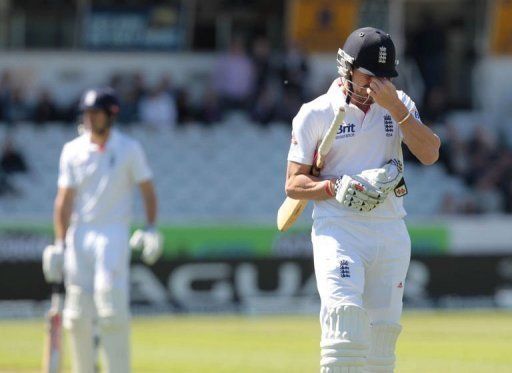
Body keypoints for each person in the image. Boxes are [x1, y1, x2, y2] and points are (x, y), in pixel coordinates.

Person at [285, 27, 440, 372]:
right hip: (339, 230)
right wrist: (334, 186)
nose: (376, 86)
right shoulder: (316, 112)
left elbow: (430, 153)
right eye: (369, 76)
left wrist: (396, 107)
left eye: (385, 77)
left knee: (381, 342)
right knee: (345, 324)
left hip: (390, 230)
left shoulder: (399, 104)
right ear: (348, 68)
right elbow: (294, 184)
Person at [42, 87, 163, 373]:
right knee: (76, 315)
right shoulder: (72, 150)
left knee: (111, 310)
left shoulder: (129, 149)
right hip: (79, 234)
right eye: (86, 113)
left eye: (95, 113)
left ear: (111, 115)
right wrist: (60, 243)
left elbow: (148, 191)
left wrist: (151, 228)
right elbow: (64, 201)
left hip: (113, 233)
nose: (89, 118)